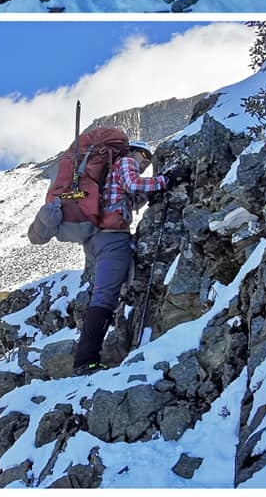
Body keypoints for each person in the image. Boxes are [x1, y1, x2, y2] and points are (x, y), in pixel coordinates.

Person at [73, 139, 169, 376]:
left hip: (97, 239)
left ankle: (86, 358)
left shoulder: (109, 173)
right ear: (134, 152)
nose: (145, 163)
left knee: (103, 295)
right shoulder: (125, 161)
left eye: (148, 160)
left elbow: (131, 194)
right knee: (104, 298)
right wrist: (166, 180)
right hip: (112, 238)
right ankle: (86, 361)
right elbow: (133, 183)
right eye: (144, 157)